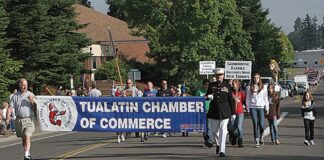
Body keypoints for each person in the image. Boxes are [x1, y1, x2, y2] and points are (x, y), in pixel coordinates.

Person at [205, 68, 235, 157]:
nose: (219, 77)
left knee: (223, 130)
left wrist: (233, 112)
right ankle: (218, 144)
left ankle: (222, 150)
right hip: (214, 111)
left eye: (221, 75)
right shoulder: (211, 85)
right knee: (214, 131)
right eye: (218, 75)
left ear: (223, 76)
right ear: (215, 76)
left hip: (224, 111)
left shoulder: (227, 85)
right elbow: (206, 96)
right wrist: (208, 96)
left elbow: (231, 99)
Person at [6, 78, 36, 160]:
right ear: (20, 86)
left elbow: (35, 108)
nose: (24, 87)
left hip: (29, 119)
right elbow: (10, 108)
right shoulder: (15, 96)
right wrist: (8, 118)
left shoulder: (31, 94)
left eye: (26, 85)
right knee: (23, 139)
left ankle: (26, 155)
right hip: (19, 119)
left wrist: (32, 101)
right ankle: (27, 152)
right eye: (23, 85)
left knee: (27, 135)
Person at [246, 73, 269, 148]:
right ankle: (257, 140)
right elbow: (248, 99)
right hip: (253, 108)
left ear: (259, 79)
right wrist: (248, 109)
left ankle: (261, 136)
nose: (256, 79)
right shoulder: (249, 87)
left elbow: (266, 98)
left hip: (261, 107)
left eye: (257, 78)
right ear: (253, 79)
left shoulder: (263, 87)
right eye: (255, 78)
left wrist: (267, 107)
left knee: (261, 125)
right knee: (255, 124)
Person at [229, 80, 246, 148]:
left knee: (239, 127)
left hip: (240, 112)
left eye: (235, 84)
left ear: (238, 85)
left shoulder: (241, 92)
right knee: (232, 128)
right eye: (233, 84)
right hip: (232, 112)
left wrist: (245, 106)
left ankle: (240, 141)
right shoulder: (230, 93)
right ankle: (234, 136)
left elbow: (244, 100)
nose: (234, 85)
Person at [196, 79, 212, 147]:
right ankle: (206, 140)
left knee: (208, 127)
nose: (207, 86)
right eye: (205, 84)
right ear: (203, 85)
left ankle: (209, 141)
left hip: (210, 110)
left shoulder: (211, 92)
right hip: (202, 111)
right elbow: (196, 100)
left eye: (208, 85)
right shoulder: (199, 91)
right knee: (204, 127)